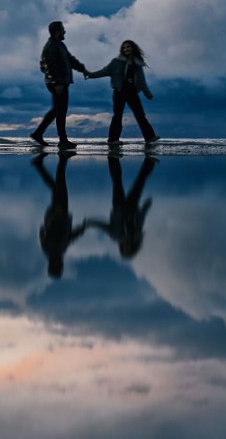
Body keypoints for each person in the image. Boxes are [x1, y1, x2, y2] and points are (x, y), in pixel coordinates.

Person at [85, 40, 159, 145]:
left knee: (140, 115)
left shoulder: (137, 63)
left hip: (132, 91)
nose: (126, 49)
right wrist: (91, 75)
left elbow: (142, 80)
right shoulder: (116, 62)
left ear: (133, 48)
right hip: (119, 91)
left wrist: (147, 93)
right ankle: (113, 140)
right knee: (118, 115)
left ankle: (150, 137)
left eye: (128, 47)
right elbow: (104, 71)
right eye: (124, 48)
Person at [30, 21, 89, 150]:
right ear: (57, 31)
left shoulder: (59, 45)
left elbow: (70, 59)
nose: (65, 32)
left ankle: (38, 134)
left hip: (61, 82)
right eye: (63, 29)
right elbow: (46, 66)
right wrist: (56, 82)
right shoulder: (51, 46)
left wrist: (83, 69)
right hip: (57, 83)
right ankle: (62, 141)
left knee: (57, 110)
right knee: (60, 111)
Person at [88, 156, 157, 259]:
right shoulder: (136, 235)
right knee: (139, 181)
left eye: (124, 250)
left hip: (118, 206)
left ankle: (112, 159)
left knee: (117, 181)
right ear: (132, 248)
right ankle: (150, 161)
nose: (126, 247)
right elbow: (141, 219)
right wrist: (146, 206)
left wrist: (91, 222)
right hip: (132, 207)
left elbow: (104, 227)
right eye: (127, 250)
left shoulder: (116, 236)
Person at [32, 152, 87, 279]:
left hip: (59, 213)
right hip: (58, 213)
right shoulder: (51, 251)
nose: (63, 265)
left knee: (59, 184)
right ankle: (47, 164)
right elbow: (68, 237)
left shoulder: (54, 250)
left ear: (57, 265)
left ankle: (51, 163)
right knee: (57, 186)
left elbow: (59, 233)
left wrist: (55, 216)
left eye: (60, 267)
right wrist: (82, 229)